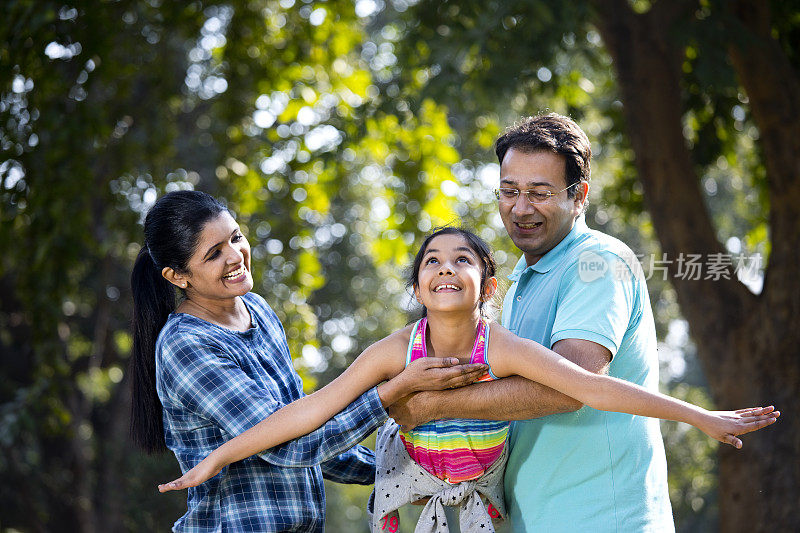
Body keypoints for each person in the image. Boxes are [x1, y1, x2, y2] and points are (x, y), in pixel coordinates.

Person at [157, 226, 778, 533]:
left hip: (480, 500)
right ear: (418, 285)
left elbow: (593, 386)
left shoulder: (501, 346)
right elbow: (307, 412)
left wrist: (701, 416)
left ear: (489, 284)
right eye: (432, 260)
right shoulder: (396, 349)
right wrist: (216, 459)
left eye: (462, 260)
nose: (445, 268)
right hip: (409, 495)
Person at [384, 112, 749, 532]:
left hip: (606, 519)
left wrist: (432, 406)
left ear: (580, 197)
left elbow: (573, 384)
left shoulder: (597, 263)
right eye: (509, 191)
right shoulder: (522, 275)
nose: (521, 208)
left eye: (539, 193)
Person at [128, 190, 487, 532]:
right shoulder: (187, 345)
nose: (236, 255)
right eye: (214, 253)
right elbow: (288, 445)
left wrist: (406, 473)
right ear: (178, 276)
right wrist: (394, 391)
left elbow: (304, 425)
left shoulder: (258, 311)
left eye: (236, 238)